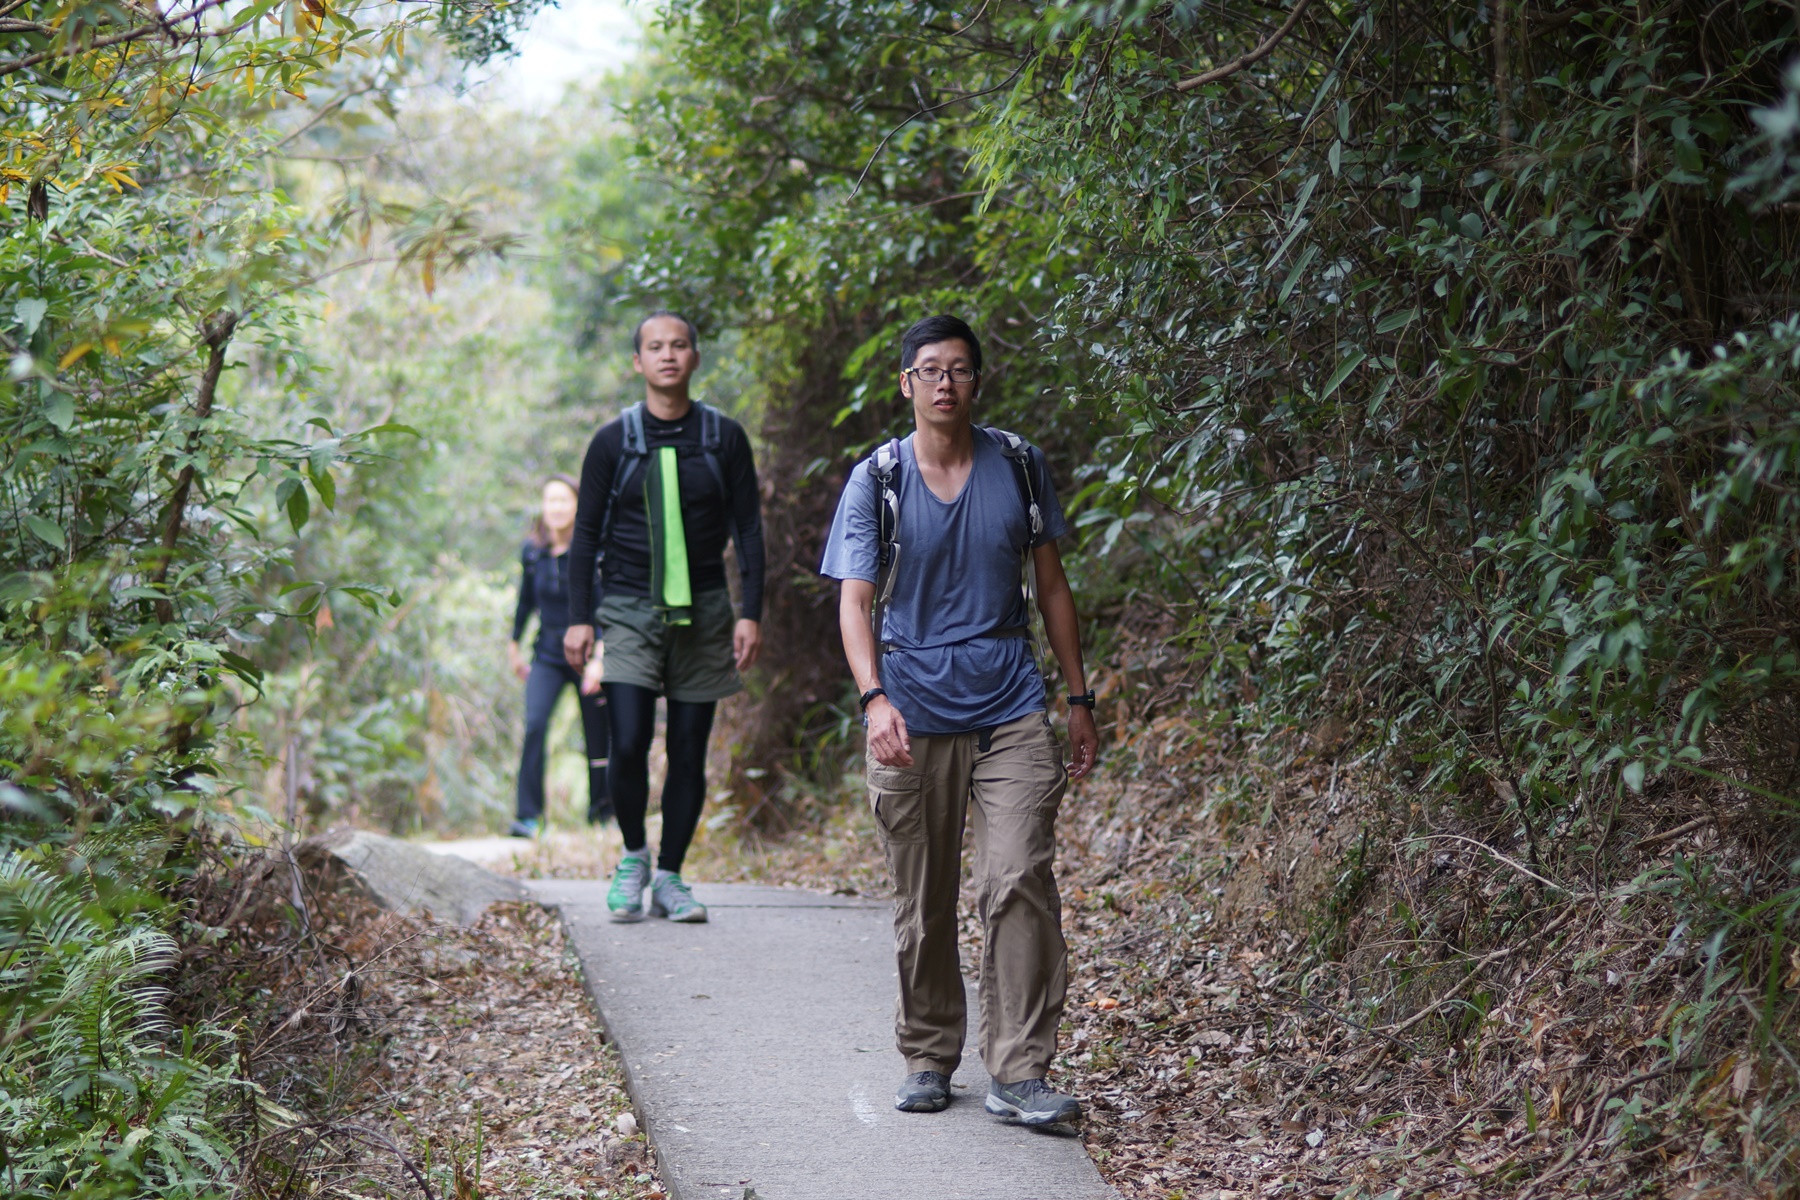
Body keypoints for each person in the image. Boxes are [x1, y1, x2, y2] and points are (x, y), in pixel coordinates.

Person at [819, 314, 1100, 1128]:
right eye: (931, 370)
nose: (946, 383)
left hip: (1010, 704)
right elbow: (855, 603)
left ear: (978, 381)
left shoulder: (1017, 464)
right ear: (906, 383)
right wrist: (874, 699)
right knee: (925, 897)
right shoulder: (878, 480)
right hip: (911, 713)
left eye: (960, 369)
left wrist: (1078, 697)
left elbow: (1051, 586)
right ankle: (929, 1053)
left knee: (1017, 877)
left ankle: (1019, 1071)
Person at [564, 312, 765, 925]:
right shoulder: (612, 442)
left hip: (706, 608)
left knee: (687, 748)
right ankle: (634, 855)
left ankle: (671, 876)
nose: (668, 355)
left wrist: (750, 613)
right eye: (655, 347)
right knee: (627, 742)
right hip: (628, 607)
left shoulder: (724, 438)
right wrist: (579, 618)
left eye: (679, 345)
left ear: (695, 358)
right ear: (638, 362)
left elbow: (748, 529)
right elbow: (585, 533)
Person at [508, 473, 611, 839]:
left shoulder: (594, 551)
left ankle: (602, 814)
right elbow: (525, 601)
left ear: (578, 505)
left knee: (597, 735)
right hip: (548, 655)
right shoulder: (532, 552)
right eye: (550, 500)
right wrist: (514, 644)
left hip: (589, 654)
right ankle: (529, 817)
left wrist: (599, 659)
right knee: (535, 724)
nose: (556, 507)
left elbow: (604, 607)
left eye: (563, 500)